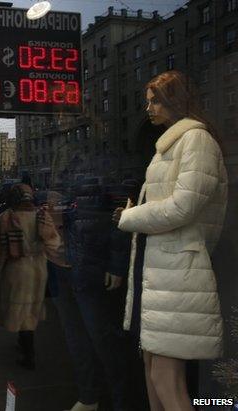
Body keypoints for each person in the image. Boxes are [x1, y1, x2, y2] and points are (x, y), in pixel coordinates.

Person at [114, 70, 228, 411]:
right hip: (163, 271)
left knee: (166, 379)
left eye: (156, 100)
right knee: (153, 372)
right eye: (148, 101)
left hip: (178, 274)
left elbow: (184, 206)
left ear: (176, 100)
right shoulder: (169, 145)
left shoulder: (196, 140)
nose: (148, 108)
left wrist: (128, 217)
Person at [49, 181, 131, 411]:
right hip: (62, 264)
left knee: (104, 340)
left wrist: (116, 264)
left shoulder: (94, 166)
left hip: (89, 265)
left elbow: (121, 212)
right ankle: (88, 396)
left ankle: (121, 402)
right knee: (76, 339)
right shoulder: (63, 168)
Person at [0, 184, 65, 369]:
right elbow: (54, 243)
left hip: (16, 270)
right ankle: (24, 345)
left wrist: (2, 263)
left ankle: (28, 355)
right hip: (38, 269)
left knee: (20, 311)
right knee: (30, 310)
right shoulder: (41, 215)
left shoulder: (6, 217)